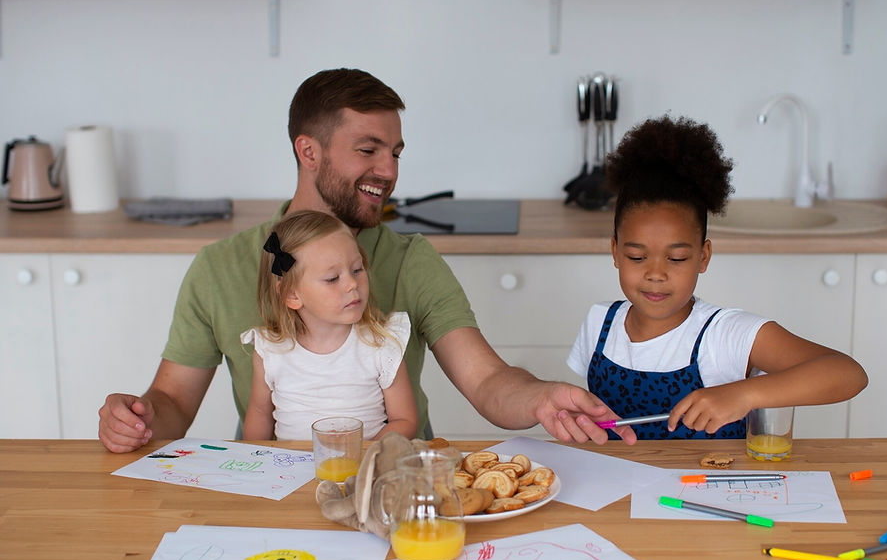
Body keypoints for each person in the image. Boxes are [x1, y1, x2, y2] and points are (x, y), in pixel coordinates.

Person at [98, 68, 635, 453]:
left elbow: (488, 381)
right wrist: (137, 419)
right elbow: (172, 402)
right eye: (368, 150)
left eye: (395, 153)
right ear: (308, 152)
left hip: (393, 485)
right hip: (276, 489)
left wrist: (542, 398)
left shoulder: (409, 260)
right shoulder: (220, 267)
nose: (389, 170)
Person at [566, 115, 868, 440]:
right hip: (617, 488)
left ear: (703, 257)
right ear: (615, 252)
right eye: (637, 257)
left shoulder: (725, 335)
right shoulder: (599, 324)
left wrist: (745, 394)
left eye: (677, 258)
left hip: (705, 490)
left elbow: (848, 374)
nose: (655, 274)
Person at [241, 210, 417, 441]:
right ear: (292, 295)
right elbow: (259, 414)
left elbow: (405, 420)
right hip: (291, 473)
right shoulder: (271, 350)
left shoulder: (381, 343)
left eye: (357, 269)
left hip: (364, 471)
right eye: (333, 278)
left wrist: (365, 455)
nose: (352, 284)